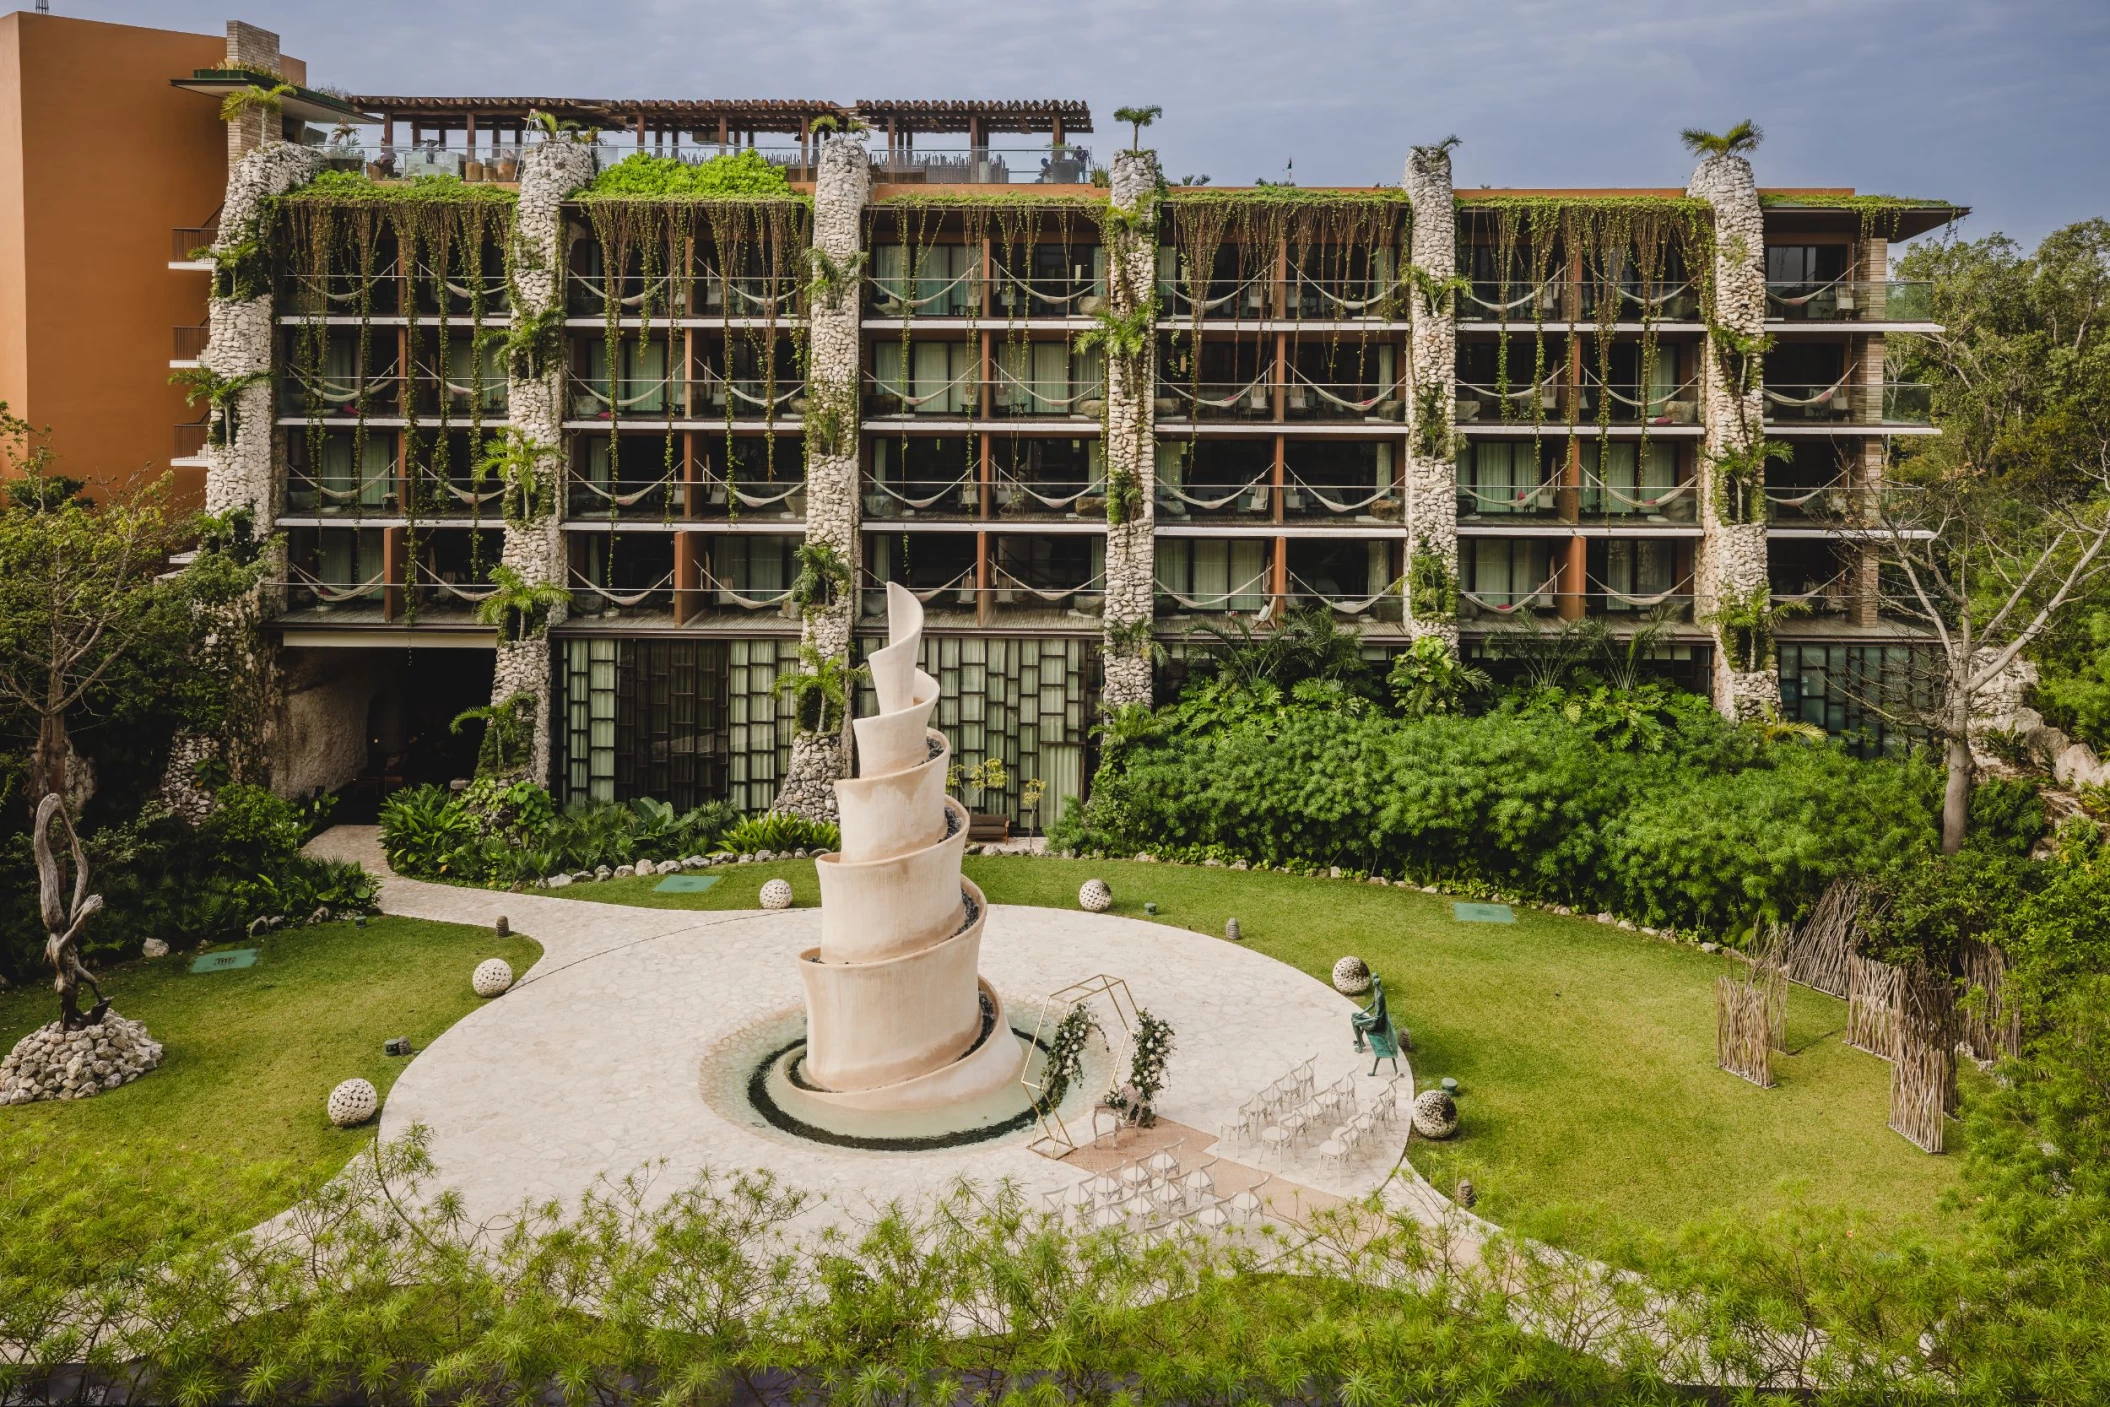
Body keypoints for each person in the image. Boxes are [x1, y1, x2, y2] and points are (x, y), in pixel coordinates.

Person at [1350, 974, 1401, 1076]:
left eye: (1374, 980)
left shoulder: (1380, 995)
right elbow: (1372, 1004)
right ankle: (1360, 1042)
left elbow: (1378, 1016)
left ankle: (1360, 1045)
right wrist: (1361, 1013)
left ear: (1375, 983)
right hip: (1374, 1019)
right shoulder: (1376, 991)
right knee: (1354, 1016)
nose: (1372, 981)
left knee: (1355, 1022)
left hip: (1375, 1024)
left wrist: (1365, 1020)